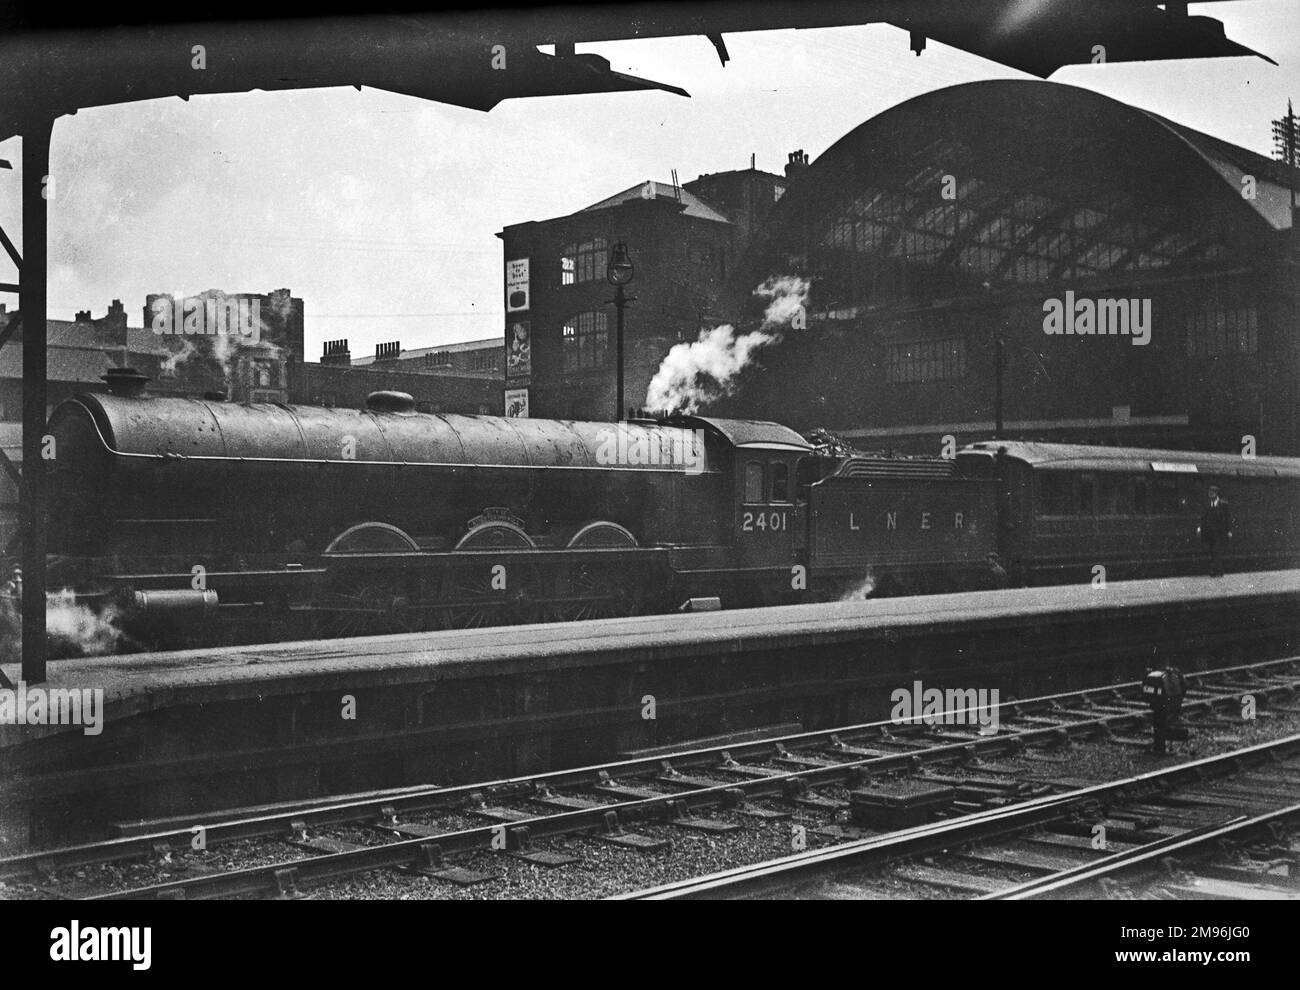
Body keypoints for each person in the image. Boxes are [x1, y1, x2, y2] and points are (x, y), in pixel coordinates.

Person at [1198, 485, 1232, 577]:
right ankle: (1219, 571)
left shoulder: (1223, 504)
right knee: (1212, 552)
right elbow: (1203, 517)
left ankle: (1214, 571)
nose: (1210, 495)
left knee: (1216, 551)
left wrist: (1229, 531)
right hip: (1209, 532)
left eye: (1212, 493)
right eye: (1209, 493)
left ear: (1216, 494)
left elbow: (1228, 518)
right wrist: (1200, 527)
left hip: (1220, 532)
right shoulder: (1207, 504)